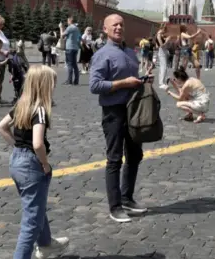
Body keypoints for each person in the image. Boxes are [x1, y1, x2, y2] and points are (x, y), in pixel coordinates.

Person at [0, 65, 69, 259]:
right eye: (52, 83)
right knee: (31, 222)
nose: (54, 86)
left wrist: (17, 146)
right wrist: (44, 163)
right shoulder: (41, 110)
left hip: (16, 162)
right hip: (31, 165)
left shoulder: (22, 104)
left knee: (35, 207)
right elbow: (38, 143)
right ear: (44, 85)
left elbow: (2, 127)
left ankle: (46, 244)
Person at [89, 14, 151, 223]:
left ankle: (127, 198)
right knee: (114, 159)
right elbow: (95, 86)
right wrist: (123, 83)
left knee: (135, 155)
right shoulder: (102, 54)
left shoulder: (130, 52)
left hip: (133, 110)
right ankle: (115, 206)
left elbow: (131, 80)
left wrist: (142, 80)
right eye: (114, 25)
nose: (118, 27)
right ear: (105, 29)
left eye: (121, 24)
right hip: (113, 112)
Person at [59, 17, 81, 85]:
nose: (67, 22)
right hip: (75, 48)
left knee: (69, 64)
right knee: (74, 64)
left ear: (69, 21)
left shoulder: (70, 27)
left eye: (67, 21)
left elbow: (62, 35)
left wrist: (60, 27)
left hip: (70, 48)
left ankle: (69, 81)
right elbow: (78, 37)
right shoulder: (77, 28)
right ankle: (76, 81)